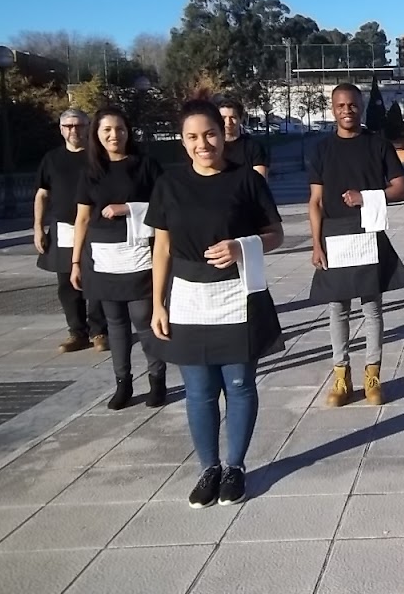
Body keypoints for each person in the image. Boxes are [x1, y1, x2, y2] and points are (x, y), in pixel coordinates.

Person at [147, 98, 284, 509]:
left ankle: (235, 467)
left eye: (209, 134)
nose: (202, 143)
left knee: (240, 385)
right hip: (188, 296)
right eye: (192, 137)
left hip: (235, 295)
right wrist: (158, 303)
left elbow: (275, 234)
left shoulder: (246, 180)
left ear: (222, 134)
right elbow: (162, 249)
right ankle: (208, 468)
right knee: (199, 390)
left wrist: (242, 247)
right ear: (182, 141)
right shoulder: (169, 185)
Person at [308, 83, 404, 408]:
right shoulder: (321, 149)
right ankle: (341, 375)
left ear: (360, 106)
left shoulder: (377, 145)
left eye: (352, 105)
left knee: (372, 308)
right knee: (337, 308)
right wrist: (316, 244)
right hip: (334, 234)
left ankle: (372, 374)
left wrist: (364, 197)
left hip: (367, 232)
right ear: (333, 108)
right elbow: (315, 201)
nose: (347, 110)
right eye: (340, 105)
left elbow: (402, 189)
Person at [70, 107, 166, 410]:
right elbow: (82, 218)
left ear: (128, 132)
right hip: (102, 257)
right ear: (96, 134)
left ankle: (157, 379)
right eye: (107, 130)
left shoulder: (145, 166)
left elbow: (165, 206)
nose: (114, 135)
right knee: (115, 324)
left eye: (120, 129)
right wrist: (74, 262)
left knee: (144, 319)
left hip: (138, 254)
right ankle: (123, 382)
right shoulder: (90, 171)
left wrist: (127, 208)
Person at [33, 108, 108, 353]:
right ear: (61, 129)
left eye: (79, 125)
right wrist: (38, 227)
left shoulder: (98, 157)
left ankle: (100, 331)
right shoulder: (51, 159)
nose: (73, 130)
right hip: (64, 229)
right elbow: (42, 194)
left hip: (96, 228)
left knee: (95, 280)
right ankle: (77, 332)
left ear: (88, 127)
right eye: (68, 126)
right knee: (66, 283)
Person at [219, 99, 269, 178]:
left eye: (233, 117)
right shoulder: (212, 147)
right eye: (223, 118)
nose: (228, 122)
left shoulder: (254, 148)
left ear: (241, 119)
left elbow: (260, 183)